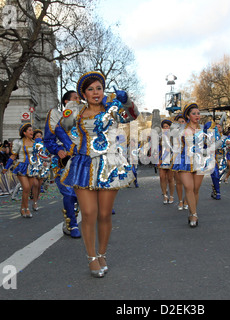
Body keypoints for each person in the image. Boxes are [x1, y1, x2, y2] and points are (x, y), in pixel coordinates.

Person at [55, 72, 139, 278]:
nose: (96, 92)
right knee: (89, 213)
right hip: (82, 164)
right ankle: (91, 257)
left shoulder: (113, 109)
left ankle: (102, 253)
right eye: (91, 89)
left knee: (104, 214)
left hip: (109, 163)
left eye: (99, 88)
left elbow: (133, 115)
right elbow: (60, 129)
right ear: (83, 93)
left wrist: (126, 99)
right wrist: (71, 146)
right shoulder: (75, 111)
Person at [171, 103, 221, 227]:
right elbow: (176, 146)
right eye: (194, 113)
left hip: (199, 161)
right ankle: (194, 214)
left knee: (195, 189)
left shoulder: (204, 128)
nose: (197, 115)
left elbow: (212, 144)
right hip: (184, 161)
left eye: (198, 113)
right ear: (188, 115)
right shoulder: (181, 129)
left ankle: (192, 211)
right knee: (188, 187)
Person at [44, 90, 81, 239]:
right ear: (66, 102)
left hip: (80, 161)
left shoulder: (82, 117)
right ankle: (72, 224)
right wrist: (58, 150)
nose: (79, 100)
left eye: (79, 98)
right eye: (75, 98)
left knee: (78, 194)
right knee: (69, 192)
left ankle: (70, 219)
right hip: (62, 162)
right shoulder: (56, 116)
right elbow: (48, 140)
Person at [3, 123, 38, 218]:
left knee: (28, 190)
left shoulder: (35, 143)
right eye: (30, 130)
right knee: (26, 187)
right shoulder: (18, 142)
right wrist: (6, 167)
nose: (32, 132)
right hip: (21, 166)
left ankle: (23, 208)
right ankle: (26, 208)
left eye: (32, 130)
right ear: (24, 132)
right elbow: (13, 156)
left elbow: (38, 156)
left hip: (31, 167)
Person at [172, 114, 188, 210]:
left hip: (188, 158)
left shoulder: (190, 132)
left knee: (187, 182)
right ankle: (180, 201)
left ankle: (186, 199)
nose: (181, 124)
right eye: (179, 122)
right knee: (178, 181)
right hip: (177, 158)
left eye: (182, 122)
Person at [158, 119, 175, 204]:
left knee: (170, 178)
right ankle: (165, 195)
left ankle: (171, 196)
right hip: (161, 159)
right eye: (164, 127)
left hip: (171, 159)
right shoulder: (160, 137)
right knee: (162, 177)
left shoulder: (173, 136)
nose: (165, 128)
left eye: (167, 126)